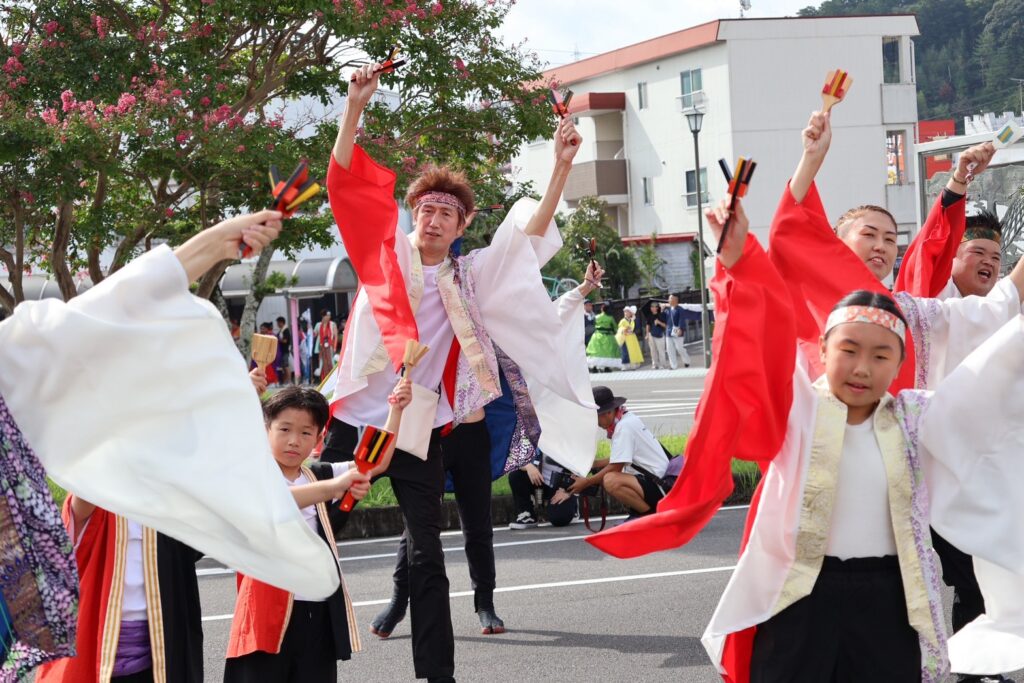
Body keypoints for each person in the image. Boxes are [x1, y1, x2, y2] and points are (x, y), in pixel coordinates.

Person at [318, 62, 593, 682]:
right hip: (357, 416)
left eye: (448, 213)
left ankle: (437, 674)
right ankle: (291, 648)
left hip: (417, 428)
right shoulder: (386, 254)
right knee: (318, 529)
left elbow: (528, 238)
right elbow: (347, 189)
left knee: (427, 554)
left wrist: (560, 168)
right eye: (427, 209)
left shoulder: (471, 276)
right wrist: (353, 109)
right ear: (413, 214)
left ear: (463, 226)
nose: (435, 219)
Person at [1, 212, 355, 676]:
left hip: (162, 643)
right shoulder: (93, 480)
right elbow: (80, 331)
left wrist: (214, 246)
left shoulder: (176, 485)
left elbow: (243, 500)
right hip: (93, 647)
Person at [224, 383, 408, 682]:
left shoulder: (319, 474)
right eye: (284, 429)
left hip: (317, 606)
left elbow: (376, 462)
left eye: (305, 432)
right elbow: (273, 503)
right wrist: (333, 488)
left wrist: (396, 410)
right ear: (266, 430)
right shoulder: (253, 474)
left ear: (319, 438)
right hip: (263, 609)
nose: (293, 441)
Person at [568, 387, 669, 518]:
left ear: (608, 412)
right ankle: (644, 513)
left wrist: (587, 482)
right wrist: (594, 464)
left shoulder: (623, 428)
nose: (596, 423)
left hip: (660, 486)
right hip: (659, 481)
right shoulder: (627, 418)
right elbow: (620, 457)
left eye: (596, 416)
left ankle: (649, 516)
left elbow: (615, 467)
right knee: (609, 477)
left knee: (611, 480)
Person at [508, 451, 578, 529]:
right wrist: (528, 466)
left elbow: (580, 466)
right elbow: (514, 457)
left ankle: (574, 505)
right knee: (516, 474)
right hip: (539, 481)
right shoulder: (530, 442)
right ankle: (527, 515)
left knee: (559, 519)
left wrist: (567, 491)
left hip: (562, 485)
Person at [586, 304, 621, 371]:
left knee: (595, 351)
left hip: (597, 336)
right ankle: (606, 367)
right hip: (608, 336)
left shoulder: (596, 317)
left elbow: (594, 325)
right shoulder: (610, 318)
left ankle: (594, 367)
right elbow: (615, 328)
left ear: (602, 309)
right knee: (607, 352)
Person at [664, 294, 692, 368]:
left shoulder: (680, 309)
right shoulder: (667, 309)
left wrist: (680, 328)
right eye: (669, 298)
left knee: (679, 348)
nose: (669, 300)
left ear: (676, 300)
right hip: (669, 331)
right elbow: (664, 319)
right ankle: (673, 365)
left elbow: (681, 319)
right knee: (669, 349)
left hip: (677, 330)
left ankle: (687, 361)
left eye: (670, 298)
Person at [645, 301, 669, 369]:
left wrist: (659, 322)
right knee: (653, 350)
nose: (653, 308)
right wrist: (647, 334)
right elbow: (647, 325)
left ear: (657, 308)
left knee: (661, 350)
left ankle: (663, 364)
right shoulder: (649, 315)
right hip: (651, 334)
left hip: (660, 334)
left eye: (654, 307)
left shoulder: (662, 315)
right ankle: (655, 364)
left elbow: (666, 326)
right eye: (651, 307)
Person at [315, 310, 338, 379]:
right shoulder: (318, 325)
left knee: (331, 362)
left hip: (330, 346)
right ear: (323, 316)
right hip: (322, 346)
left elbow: (335, 336)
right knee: (322, 363)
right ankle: (324, 379)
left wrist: (335, 347)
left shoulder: (332, 324)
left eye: (329, 315)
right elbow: (315, 334)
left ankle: (333, 378)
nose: (328, 317)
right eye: (327, 315)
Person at [276, 316, 292, 385]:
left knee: (286, 366)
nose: (277, 324)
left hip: (285, 351)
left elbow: (285, 341)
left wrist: (278, 339)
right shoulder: (281, 330)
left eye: (278, 323)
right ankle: (285, 381)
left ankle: (289, 381)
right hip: (282, 351)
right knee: (283, 367)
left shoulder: (286, 330)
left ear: (282, 322)